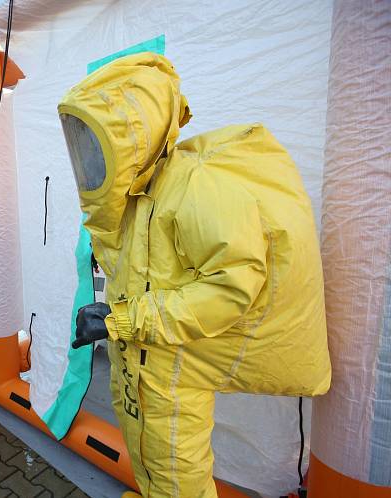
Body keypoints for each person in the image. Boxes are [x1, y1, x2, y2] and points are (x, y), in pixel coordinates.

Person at [60, 53, 331, 497]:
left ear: (134, 137)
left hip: (172, 372)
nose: (87, 157)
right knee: (147, 457)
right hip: (140, 369)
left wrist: (124, 318)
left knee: (178, 478)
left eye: (96, 142)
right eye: (82, 142)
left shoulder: (193, 187)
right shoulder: (135, 197)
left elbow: (234, 283)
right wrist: (114, 315)